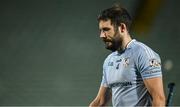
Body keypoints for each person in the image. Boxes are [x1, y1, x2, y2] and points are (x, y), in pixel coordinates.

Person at [89, 4, 165, 106]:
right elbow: (100, 101)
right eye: (101, 30)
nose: (102, 35)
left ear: (122, 28)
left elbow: (159, 99)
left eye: (106, 30)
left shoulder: (143, 54)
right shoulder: (109, 60)